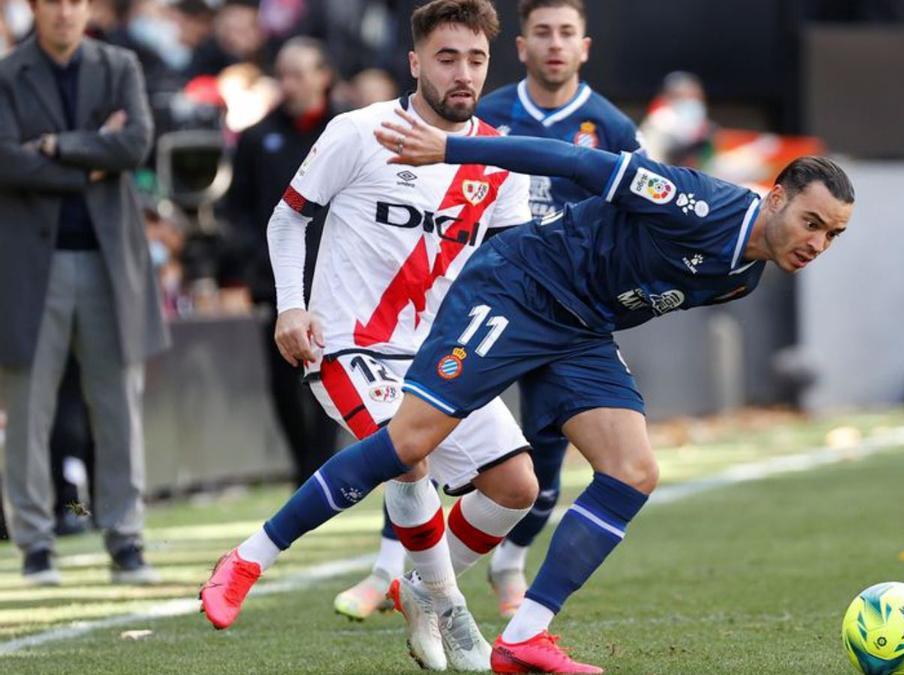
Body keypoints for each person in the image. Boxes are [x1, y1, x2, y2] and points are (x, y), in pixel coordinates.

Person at [201, 93, 853, 672]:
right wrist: (452, 148)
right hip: (521, 288)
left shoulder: (746, 274)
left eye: (833, 234)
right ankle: (251, 556)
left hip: (580, 327)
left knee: (630, 469)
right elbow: (573, 163)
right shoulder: (698, 201)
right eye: (812, 222)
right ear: (776, 197)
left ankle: (522, 634)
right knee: (409, 444)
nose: (818, 243)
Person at [201, 2, 542, 671]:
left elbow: (506, 270)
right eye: (447, 58)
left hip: (440, 354)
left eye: (475, 59)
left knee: (517, 486)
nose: (463, 73)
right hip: (348, 342)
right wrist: (292, 308)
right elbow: (286, 220)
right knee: (406, 454)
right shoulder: (360, 132)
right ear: (415, 63)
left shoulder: (501, 162)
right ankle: (256, 561)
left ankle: (419, 587)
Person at [472, 0, 644, 619]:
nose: (554, 44)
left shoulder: (613, 128)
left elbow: (638, 221)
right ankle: (391, 569)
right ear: (520, 45)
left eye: (565, 33)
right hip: (488, 300)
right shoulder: (487, 115)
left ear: (584, 46)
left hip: (566, 319)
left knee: (544, 462)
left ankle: (510, 562)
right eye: (541, 32)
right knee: (422, 432)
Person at [0, 0, 167, 586]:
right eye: (53, 3)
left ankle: (125, 539)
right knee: (26, 411)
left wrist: (52, 146)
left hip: (108, 259)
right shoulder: (6, 72)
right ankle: (35, 545)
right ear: (35, 9)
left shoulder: (119, 65)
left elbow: (136, 144)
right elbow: (4, 161)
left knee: (118, 404)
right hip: (28, 266)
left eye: (75, 1)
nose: (65, 13)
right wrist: (92, 153)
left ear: (87, 7)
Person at [223, 36, 342, 488]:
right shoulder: (258, 137)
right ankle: (302, 469)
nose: (289, 84)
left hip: (336, 279)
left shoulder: (347, 129)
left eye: (299, 73)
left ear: (323, 76)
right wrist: (256, 256)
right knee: (282, 380)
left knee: (328, 378)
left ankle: (319, 472)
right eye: (283, 74)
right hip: (276, 281)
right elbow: (237, 207)